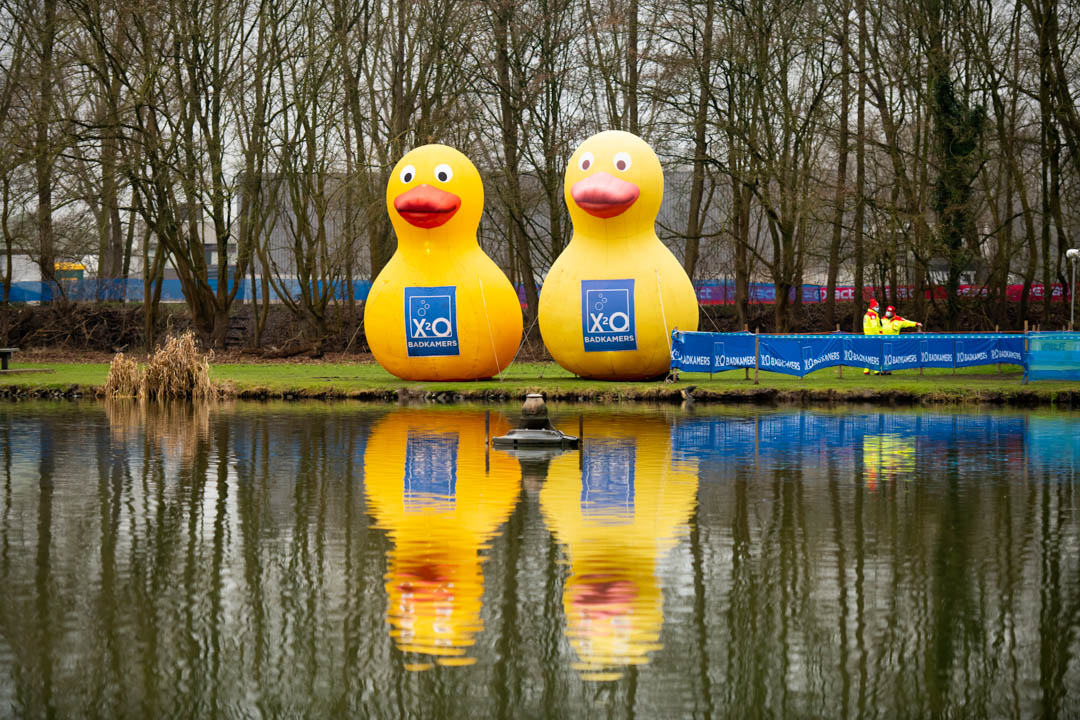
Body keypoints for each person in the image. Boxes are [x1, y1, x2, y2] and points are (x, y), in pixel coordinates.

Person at [879, 306, 922, 374]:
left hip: (893, 342)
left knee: (890, 356)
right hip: (883, 341)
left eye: (890, 312)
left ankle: (888, 370)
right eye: (887, 311)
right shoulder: (882, 320)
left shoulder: (898, 320)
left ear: (893, 313)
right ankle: (884, 370)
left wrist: (916, 324)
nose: (888, 313)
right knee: (883, 355)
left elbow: (907, 322)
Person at [863, 299, 882, 375]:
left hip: (867, 337)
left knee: (869, 354)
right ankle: (876, 370)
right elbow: (874, 326)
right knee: (876, 354)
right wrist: (879, 334)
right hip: (873, 337)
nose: (878, 308)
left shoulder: (867, 314)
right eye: (876, 306)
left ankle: (866, 370)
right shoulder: (872, 315)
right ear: (873, 307)